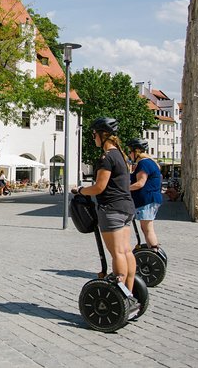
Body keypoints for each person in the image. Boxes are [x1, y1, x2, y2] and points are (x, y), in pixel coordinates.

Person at [72, 118, 137, 295]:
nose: (93, 138)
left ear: (103, 134)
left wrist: (80, 190)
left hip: (111, 209)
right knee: (126, 251)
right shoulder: (121, 156)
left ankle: (119, 290)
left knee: (117, 253)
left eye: (94, 134)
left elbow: (99, 187)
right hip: (126, 208)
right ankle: (129, 292)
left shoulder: (106, 157)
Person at [127, 138, 163, 249]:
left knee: (147, 228)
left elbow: (140, 183)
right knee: (146, 228)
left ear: (136, 151)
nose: (129, 154)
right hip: (150, 199)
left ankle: (153, 250)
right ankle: (152, 249)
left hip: (147, 200)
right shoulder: (149, 162)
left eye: (130, 151)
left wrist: (124, 189)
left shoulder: (144, 163)